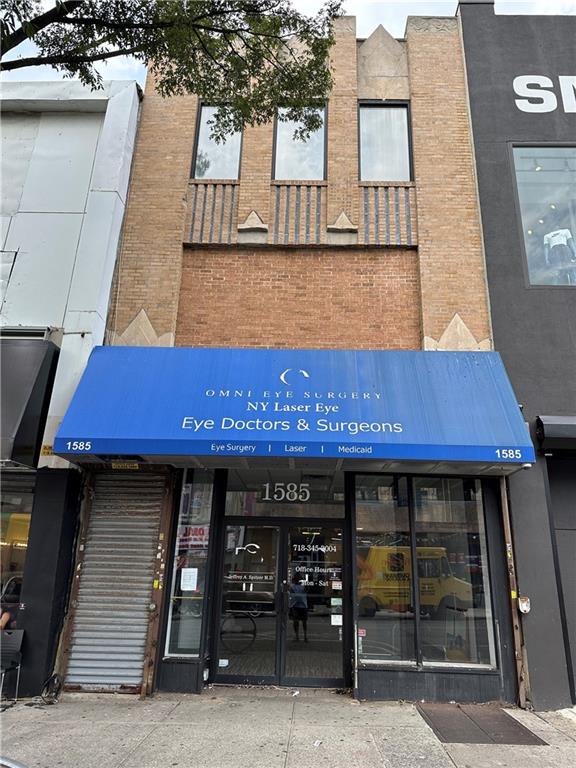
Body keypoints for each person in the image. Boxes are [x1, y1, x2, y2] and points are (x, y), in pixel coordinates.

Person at [289, 573, 308, 642]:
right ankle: (305, 636)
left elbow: (293, 596)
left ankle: (297, 636)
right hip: (303, 605)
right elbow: (304, 594)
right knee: (304, 622)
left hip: (295, 606)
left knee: (296, 621)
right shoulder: (303, 587)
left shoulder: (292, 587)